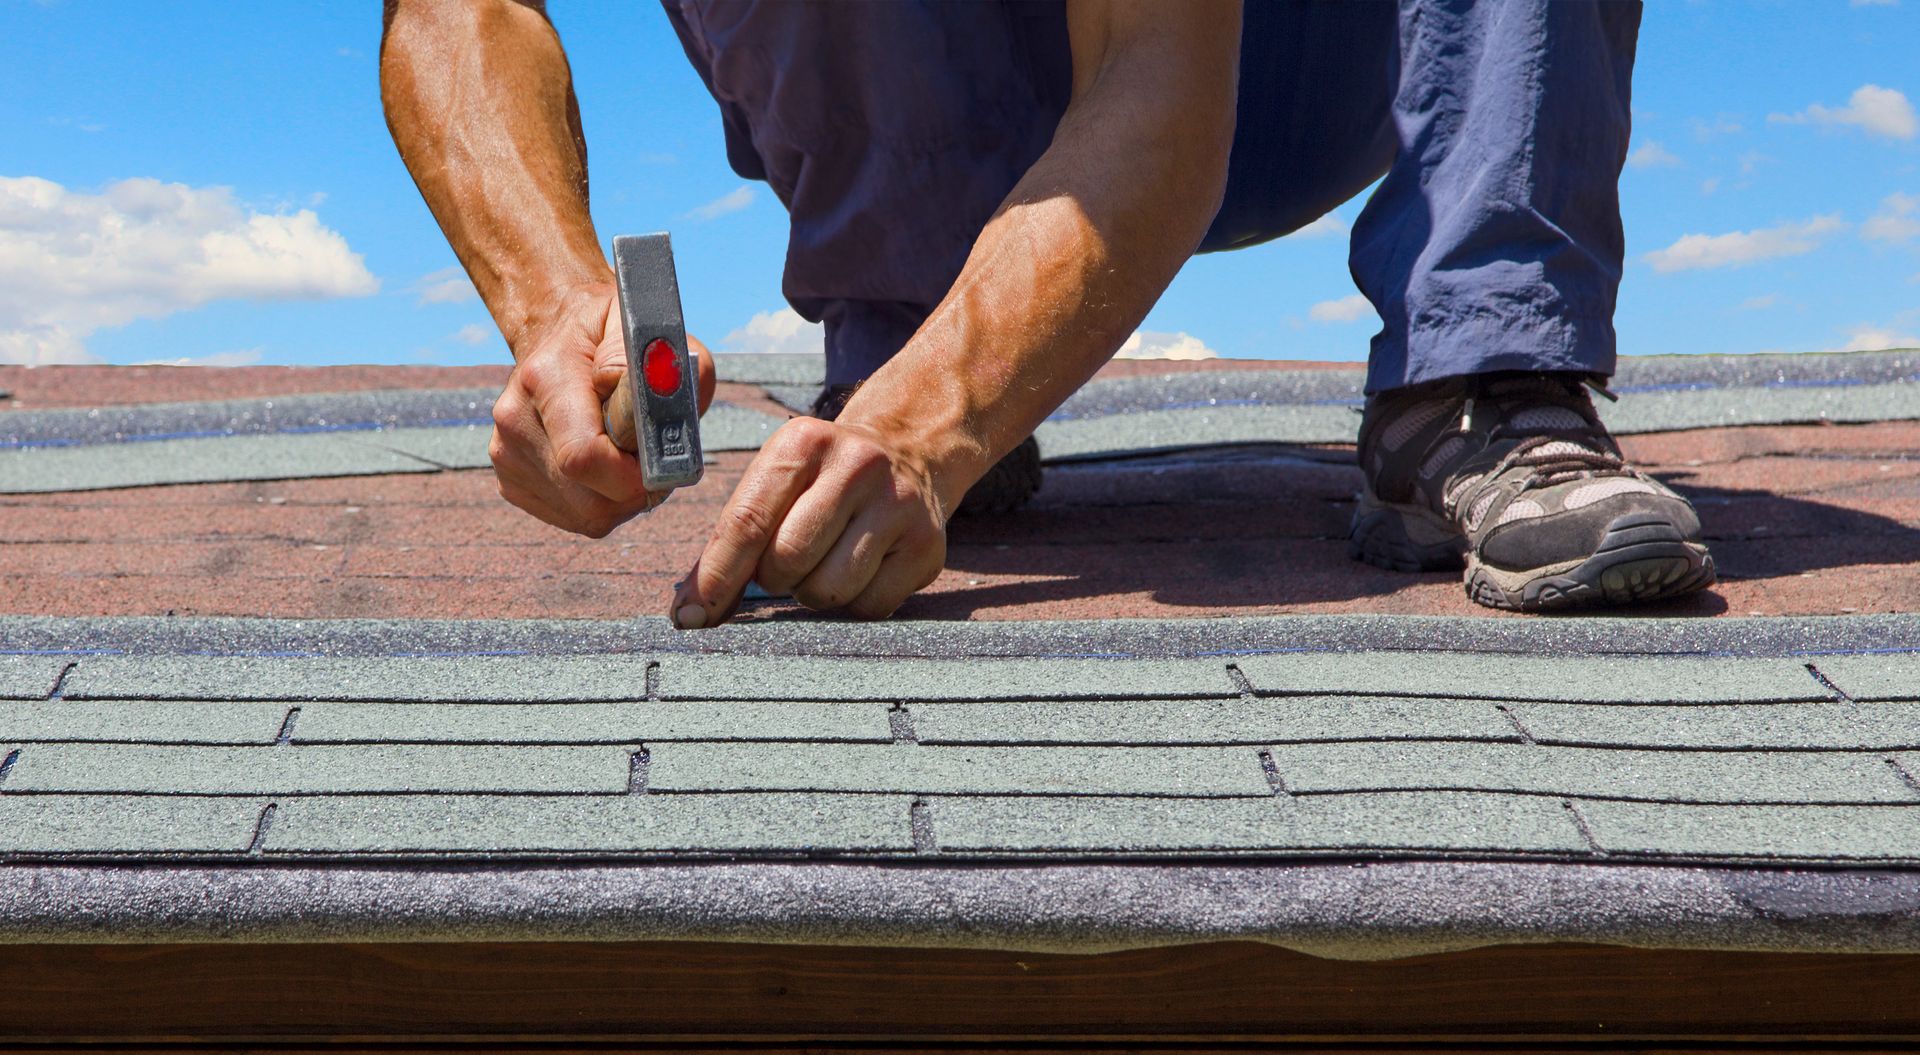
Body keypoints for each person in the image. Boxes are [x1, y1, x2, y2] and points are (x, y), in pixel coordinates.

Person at [381, 0, 1712, 626]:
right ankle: (916, 321)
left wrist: (930, 425)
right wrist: (553, 305)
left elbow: (1158, 69)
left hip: (1313, 55)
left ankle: (1479, 371)